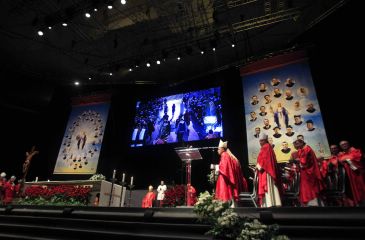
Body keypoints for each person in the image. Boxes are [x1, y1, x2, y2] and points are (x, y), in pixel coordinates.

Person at [215, 140, 248, 205]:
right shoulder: (227, 155)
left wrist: (217, 168)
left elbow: (224, 167)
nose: (217, 150)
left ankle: (225, 204)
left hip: (224, 177)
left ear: (222, 149)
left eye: (218, 149)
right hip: (225, 175)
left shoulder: (224, 155)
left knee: (224, 191)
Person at [293, 139, 323, 206]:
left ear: (301, 143)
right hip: (305, 172)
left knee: (310, 188)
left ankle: (313, 204)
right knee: (305, 188)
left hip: (309, 172)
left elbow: (304, 161)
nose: (296, 147)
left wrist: (298, 160)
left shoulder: (307, 149)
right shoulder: (302, 149)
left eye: (297, 144)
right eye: (295, 145)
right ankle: (308, 203)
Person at [256, 134, 282, 207]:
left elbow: (264, 160)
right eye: (259, 141)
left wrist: (258, 166)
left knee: (268, 185)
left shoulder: (266, 147)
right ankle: (273, 202)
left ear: (265, 140)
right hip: (267, 169)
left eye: (261, 141)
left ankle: (269, 203)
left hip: (267, 171)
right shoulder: (268, 146)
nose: (260, 142)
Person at [338, 140, 365, 206]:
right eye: (342, 145)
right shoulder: (341, 154)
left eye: (345, 144)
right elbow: (340, 160)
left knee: (362, 187)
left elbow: (354, 157)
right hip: (349, 175)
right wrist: (344, 158)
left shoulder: (355, 150)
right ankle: (359, 203)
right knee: (354, 189)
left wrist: (345, 158)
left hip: (358, 173)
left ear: (348, 144)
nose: (344, 145)